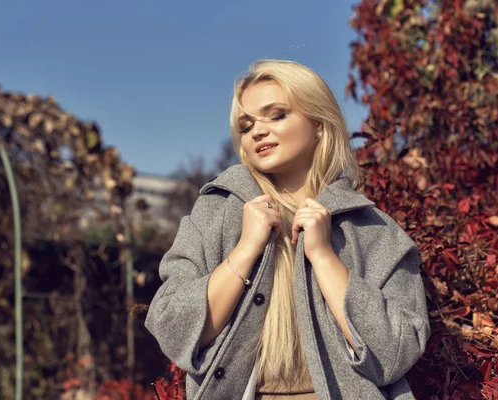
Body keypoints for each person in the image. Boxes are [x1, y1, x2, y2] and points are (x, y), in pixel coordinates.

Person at [145, 59, 430, 400]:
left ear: (319, 124)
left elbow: (397, 352)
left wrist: (324, 257)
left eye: (277, 115)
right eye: (247, 126)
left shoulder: (373, 229)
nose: (258, 132)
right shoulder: (217, 211)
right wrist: (245, 250)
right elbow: (172, 328)